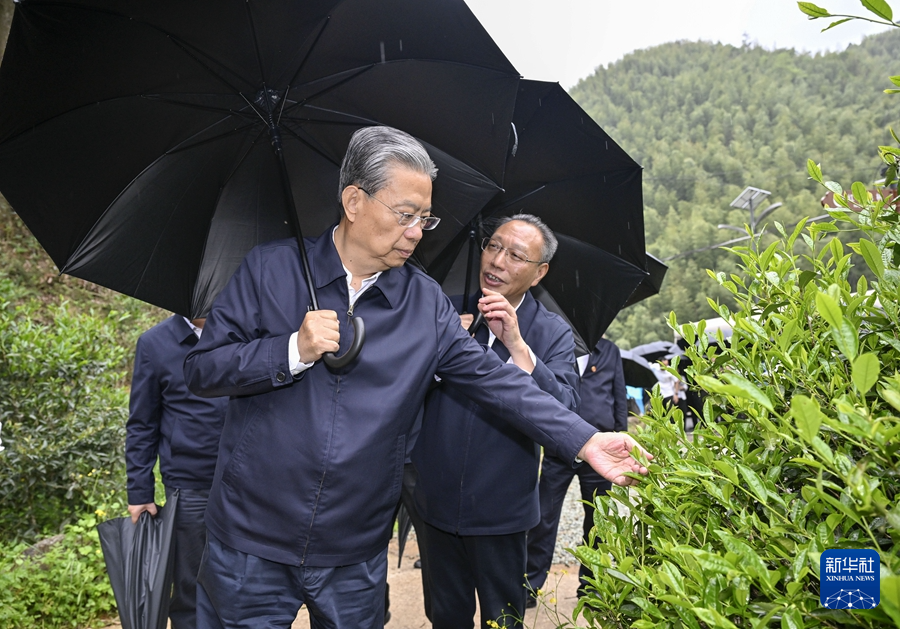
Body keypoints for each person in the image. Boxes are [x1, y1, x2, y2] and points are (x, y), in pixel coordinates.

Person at [183, 126, 652, 629]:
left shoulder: (424, 303)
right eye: (405, 215)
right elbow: (204, 370)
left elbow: (498, 383)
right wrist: (290, 349)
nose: (416, 232)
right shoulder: (269, 270)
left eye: (424, 219)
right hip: (250, 541)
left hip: (354, 548)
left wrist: (584, 440)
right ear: (354, 201)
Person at [411, 213, 576, 628]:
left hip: (502, 511)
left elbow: (564, 408)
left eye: (516, 255)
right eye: (493, 246)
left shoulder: (551, 332)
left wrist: (518, 347)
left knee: (503, 618)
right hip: (436, 501)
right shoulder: (446, 312)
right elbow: (402, 387)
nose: (498, 261)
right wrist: (440, 349)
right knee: (445, 616)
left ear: (539, 273)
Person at [126, 315, 228, 629]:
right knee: (189, 584)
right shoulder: (155, 343)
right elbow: (142, 424)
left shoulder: (240, 334)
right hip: (189, 485)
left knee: (248, 581)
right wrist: (139, 491)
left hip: (245, 482)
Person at [525, 337, 628, 603]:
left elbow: (619, 394)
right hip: (560, 446)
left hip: (600, 449)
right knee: (544, 516)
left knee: (597, 520)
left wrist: (621, 435)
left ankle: (590, 586)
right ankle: (530, 585)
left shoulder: (609, 350)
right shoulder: (557, 345)